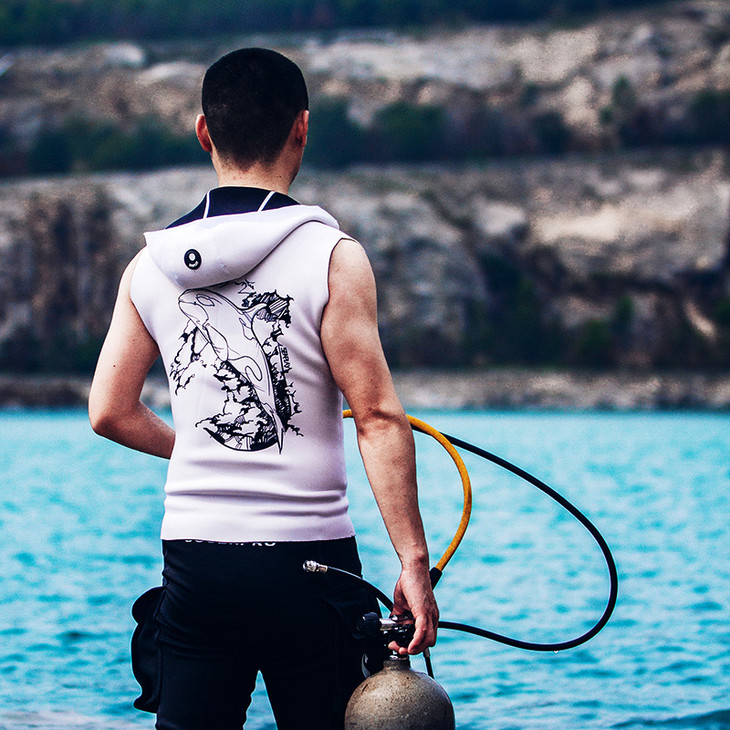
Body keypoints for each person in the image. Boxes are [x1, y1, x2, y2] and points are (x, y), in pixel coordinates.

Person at [88, 47, 438, 729]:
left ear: (204, 132)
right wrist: (414, 563)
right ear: (301, 128)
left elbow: (109, 412)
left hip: (196, 566)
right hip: (311, 567)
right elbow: (375, 417)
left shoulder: (149, 266)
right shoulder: (332, 256)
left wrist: (199, 452)